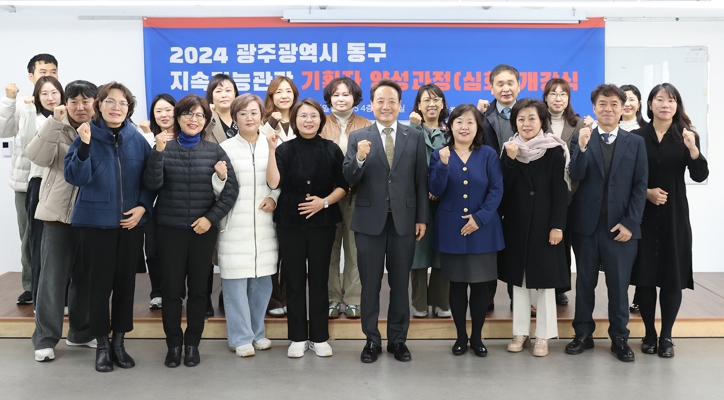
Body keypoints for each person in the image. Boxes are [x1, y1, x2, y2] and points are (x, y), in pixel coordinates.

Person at [64, 82, 155, 372]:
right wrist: (85, 145)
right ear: (99, 105)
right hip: (94, 225)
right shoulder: (85, 134)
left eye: (123, 103)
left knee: (126, 286)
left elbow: (151, 179)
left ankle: (119, 343)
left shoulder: (137, 139)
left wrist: (142, 207)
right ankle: (102, 345)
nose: (117, 107)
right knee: (98, 287)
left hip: (130, 225)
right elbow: (74, 177)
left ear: (129, 108)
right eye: (111, 102)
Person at [144, 94, 238, 368]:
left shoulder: (215, 151)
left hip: (202, 232)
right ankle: (174, 345)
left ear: (206, 120)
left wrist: (210, 219)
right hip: (169, 231)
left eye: (199, 115)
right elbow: (152, 184)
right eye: (188, 114)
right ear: (178, 117)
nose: (193, 119)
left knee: (199, 292)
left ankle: (193, 344)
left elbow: (231, 191)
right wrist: (158, 152)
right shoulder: (163, 147)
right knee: (172, 292)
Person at [343, 79, 429, 363]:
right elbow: (348, 177)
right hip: (369, 222)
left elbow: (420, 180)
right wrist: (359, 158)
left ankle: (398, 340)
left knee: (400, 284)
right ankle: (371, 340)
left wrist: (422, 218)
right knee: (369, 284)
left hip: (404, 220)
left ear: (400, 105)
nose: (386, 106)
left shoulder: (414, 136)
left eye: (392, 101)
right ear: (371, 104)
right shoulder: (358, 136)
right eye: (380, 101)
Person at [565, 84, 648, 362]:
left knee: (619, 286)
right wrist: (582, 147)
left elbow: (640, 186)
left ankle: (620, 337)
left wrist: (630, 223)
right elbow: (575, 174)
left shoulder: (635, 142)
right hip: (586, 226)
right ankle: (582, 334)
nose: (608, 109)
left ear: (623, 108)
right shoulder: (581, 137)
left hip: (621, 228)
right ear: (594, 108)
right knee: (584, 283)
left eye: (614, 104)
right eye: (602, 103)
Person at [631, 83, 709, 358]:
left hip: (674, 215)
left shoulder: (687, 136)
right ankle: (649, 334)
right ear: (649, 104)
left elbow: (699, 174)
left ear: (677, 105)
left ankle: (666, 336)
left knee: (671, 277)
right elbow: (626, 178)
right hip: (643, 215)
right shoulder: (636, 137)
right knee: (645, 277)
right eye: (660, 99)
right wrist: (647, 193)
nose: (666, 104)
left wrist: (693, 150)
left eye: (671, 100)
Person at [266, 98, 347, 358]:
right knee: (294, 280)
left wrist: (324, 202)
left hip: (323, 223)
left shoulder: (331, 149)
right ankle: (298, 337)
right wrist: (271, 150)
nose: (308, 120)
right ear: (295, 119)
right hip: (290, 223)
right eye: (303, 115)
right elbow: (274, 183)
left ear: (320, 120)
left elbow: (343, 186)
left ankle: (320, 337)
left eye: (313, 115)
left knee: (320, 280)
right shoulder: (284, 149)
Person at [26, 80, 97, 362]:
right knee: (52, 281)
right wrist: (54, 125)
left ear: (95, 103)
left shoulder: (102, 130)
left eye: (86, 101)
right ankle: (45, 339)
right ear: (65, 103)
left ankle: (81, 332)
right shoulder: (56, 127)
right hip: (58, 215)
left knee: (86, 280)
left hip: (91, 218)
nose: (80, 107)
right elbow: (37, 156)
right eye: (73, 101)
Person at [428, 104, 504, 357]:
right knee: (457, 286)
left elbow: (497, 189)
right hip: (451, 229)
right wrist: (442, 165)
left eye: (470, 122)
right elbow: (435, 190)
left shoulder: (488, 154)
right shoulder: (440, 154)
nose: (464, 127)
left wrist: (480, 218)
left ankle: (477, 338)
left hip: (484, 229)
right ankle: (461, 337)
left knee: (481, 287)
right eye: (459, 121)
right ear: (450, 125)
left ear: (478, 127)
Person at [500, 99, 569, 357]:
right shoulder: (509, 149)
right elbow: (502, 190)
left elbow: (560, 191)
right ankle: (520, 333)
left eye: (532, 118)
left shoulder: (554, 149)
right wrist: (509, 161)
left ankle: (543, 335)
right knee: (519, 283)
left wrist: (557, 226)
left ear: (542, 121)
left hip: (545, 226)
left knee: (546, 283)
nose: (526, 123)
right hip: (516, 225)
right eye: (521, 119)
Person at [216, 94, 279, 357]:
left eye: (254, 112)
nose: (249, 118)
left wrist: (273, 198)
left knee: (263, 283)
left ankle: (257, 333)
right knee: (235, 284)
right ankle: (240, 338)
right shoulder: (225, 148)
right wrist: (220, 178)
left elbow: (281, 182)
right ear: (235, 118)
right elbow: (216, 189)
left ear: (262, 116)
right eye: (242, 113)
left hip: (265, 226)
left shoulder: (273, 144)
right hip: (234, 225)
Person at [0, 53, 58, 306]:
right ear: (31, 76)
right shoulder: (22, 104)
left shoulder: (61, 102)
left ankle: (57, 288)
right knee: (28, 237)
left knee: (58, 239)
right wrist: (9, 100)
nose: (49, 75)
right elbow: (4, 131)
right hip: (26, 183)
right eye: (43, 71)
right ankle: (30, 285)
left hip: (57, 185)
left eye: (53, 71)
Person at [320, 77, 372, 320]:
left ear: (355, 98)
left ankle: (353, 299)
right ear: (329, 98)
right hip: (326, 198)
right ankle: (331, 298)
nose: (341, 99)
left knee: (354, 250)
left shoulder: (366, 124)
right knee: (328, 250)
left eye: (346, 94)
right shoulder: (319, 123)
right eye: (336, 94)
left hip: (356, 196)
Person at [477, 64, 521, 311]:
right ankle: (487, 295)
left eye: (510, 83)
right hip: (489, 190)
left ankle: (520, 297)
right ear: (491, 88)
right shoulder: (481, 117)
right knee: (489, 245)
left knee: (518, 245)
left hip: (521, 189)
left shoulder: (530, 114)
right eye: (500, 84)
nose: (506, 88)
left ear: (519, 86)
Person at [408, 84, 450, 318]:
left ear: (442, 104)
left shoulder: (452, 132)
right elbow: (408, 164)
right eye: (426, 100)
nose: (431, 104)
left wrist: (439, 187)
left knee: (443, 251)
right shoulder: (410, 130)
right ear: (419, 106)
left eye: (436, 100)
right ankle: (419, 302)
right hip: (417, 200)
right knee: (419, 252)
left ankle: (441, 301)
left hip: (446, 200)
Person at [542, 78, 585, 306]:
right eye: (553, 93)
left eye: (563, 94)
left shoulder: (578, 124)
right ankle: (545, 284)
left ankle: (561, 288)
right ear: (545, 97)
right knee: (546, 242)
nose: (558, 98)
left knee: (565, 243)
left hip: (572, 193)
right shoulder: (538, 121)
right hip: (544, 192)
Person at [260, 76, 299, 317]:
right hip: (271, 195)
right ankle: (273, 298)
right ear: (271, 96)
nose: (284, 96)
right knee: (272, 250)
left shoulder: (302, 119)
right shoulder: (262, 122)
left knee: (292, 252)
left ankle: (288, 296)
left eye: (288, 91)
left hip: (296, 195)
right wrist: (269, 123)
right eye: (279, 92)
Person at [202, 74, 240, 316]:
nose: (224, 94)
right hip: (210, 193)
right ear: (211, 96)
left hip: (241, 193)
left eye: (228, 90)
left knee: (233, 250)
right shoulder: (205, 120)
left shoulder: (244, 118)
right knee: (207, 251)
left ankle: (229, 296)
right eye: (218, 91)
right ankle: (203, 298)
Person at [138, 93, 176, 309]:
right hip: (152, 203)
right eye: (158, 111)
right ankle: (158, 292)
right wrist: (148, 136)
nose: (164, 115)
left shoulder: (185, 136)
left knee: (175, 251)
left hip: (176, 201)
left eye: (168, 110)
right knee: (152, 249)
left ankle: (176, 291)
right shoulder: (146, 137)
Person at [619, 83, 646, 313]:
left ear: (640, 104)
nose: (627, 104)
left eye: (631, 99)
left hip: (642, 202)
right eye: (623, 99)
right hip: (617, 204)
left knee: (642, 252)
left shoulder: (646, 131)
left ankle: (639, 296)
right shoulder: (606, 129)